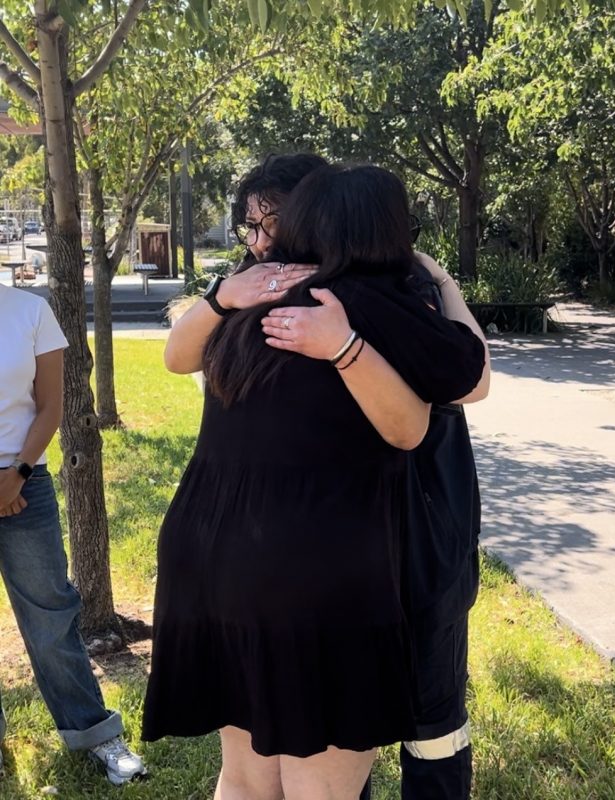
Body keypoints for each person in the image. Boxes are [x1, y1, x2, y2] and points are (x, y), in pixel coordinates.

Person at [142, 163, 486, 800]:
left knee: (245, 778)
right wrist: (419, 293)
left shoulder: (255, 293)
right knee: (318, 789)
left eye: (262, 220)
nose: (256, 235)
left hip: (213, 556)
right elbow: (456, 389)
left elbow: (175, 356)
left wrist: (222, 297)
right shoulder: (369, 301)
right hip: (318, 570)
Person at [0, 282, 146, 785]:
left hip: (24, 482)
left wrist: (15, 473)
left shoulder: (31, 311)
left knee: (51, 616)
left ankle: (95, 734)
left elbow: (50, 407)